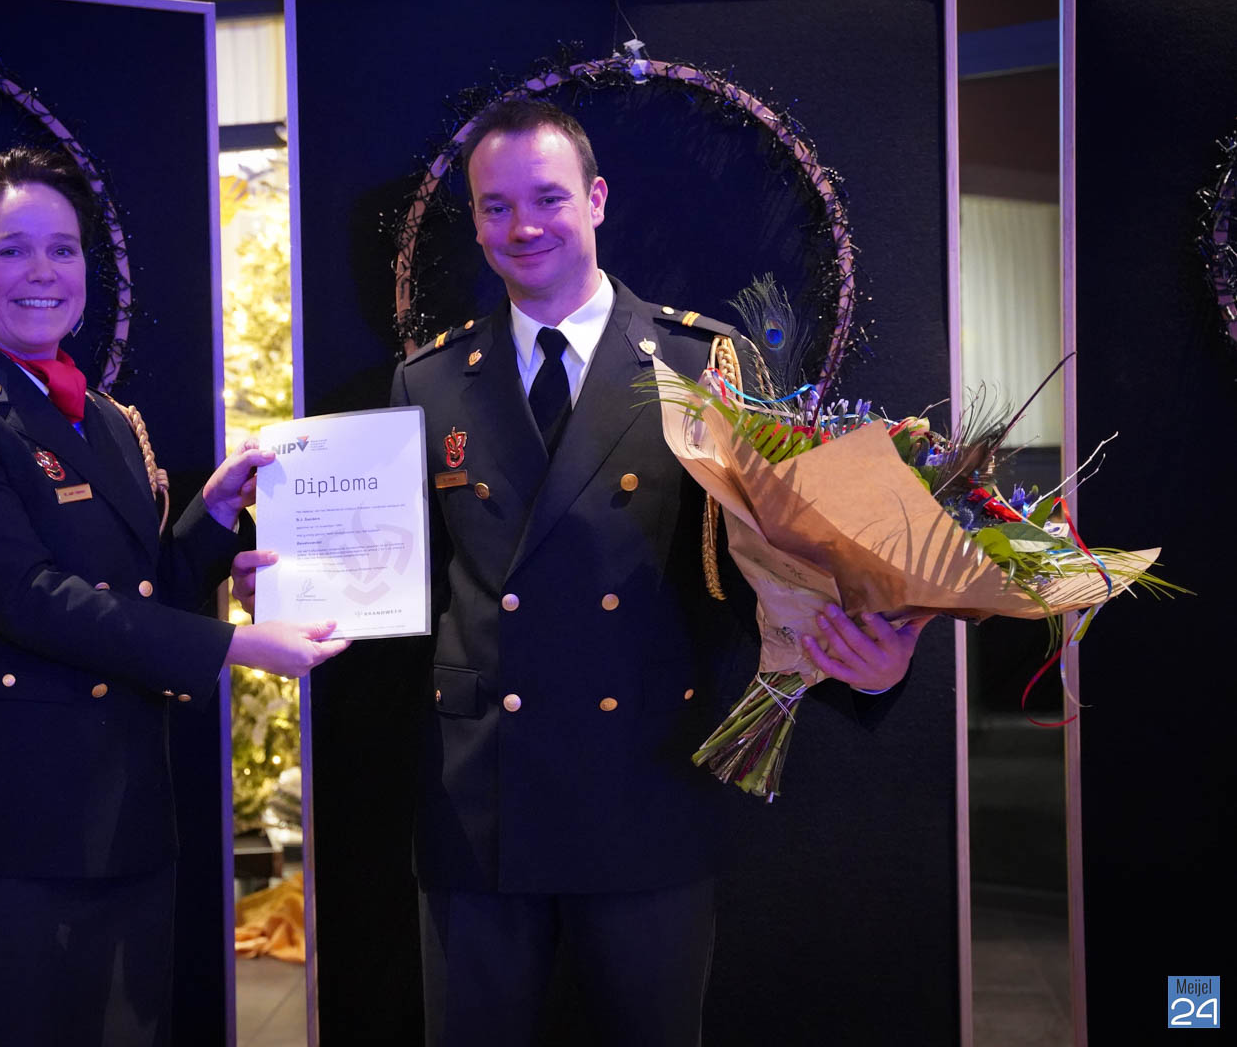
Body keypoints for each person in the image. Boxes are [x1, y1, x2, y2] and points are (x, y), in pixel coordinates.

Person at [388, 99, 927, 1046]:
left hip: (644, 789)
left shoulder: (706, 362)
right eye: (496, 207)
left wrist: (870, 668)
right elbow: (406, 584)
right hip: (482, 800)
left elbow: (779, 565)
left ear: (596, 200)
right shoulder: (427, 380)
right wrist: (300, 591)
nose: (523, 226)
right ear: (474, 221)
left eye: (548, 198)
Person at [0, 146, 348, 1047]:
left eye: (63, 249)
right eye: (12, 249)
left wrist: (214, 525)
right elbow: (28, 597)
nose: (43, 272)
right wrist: (235, 647)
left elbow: (140, 592)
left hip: (121, 820)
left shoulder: (104, 419)